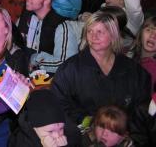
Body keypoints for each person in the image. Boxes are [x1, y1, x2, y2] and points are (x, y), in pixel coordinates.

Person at [51, 11, 151, 141]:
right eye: (90, 31)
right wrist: (88, 123)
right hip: (83, 137)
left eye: (100, 32)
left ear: (113, 36)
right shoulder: (70, 69)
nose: (93, 37)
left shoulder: (134, 71)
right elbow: (58, 104)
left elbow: (142, 111)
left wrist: (123, 133)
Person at [17, 0, 81, 74]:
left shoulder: (61, 25)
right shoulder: (27, 18)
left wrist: (35, 59)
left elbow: (66, 64)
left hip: (52, 82)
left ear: (47, 0)